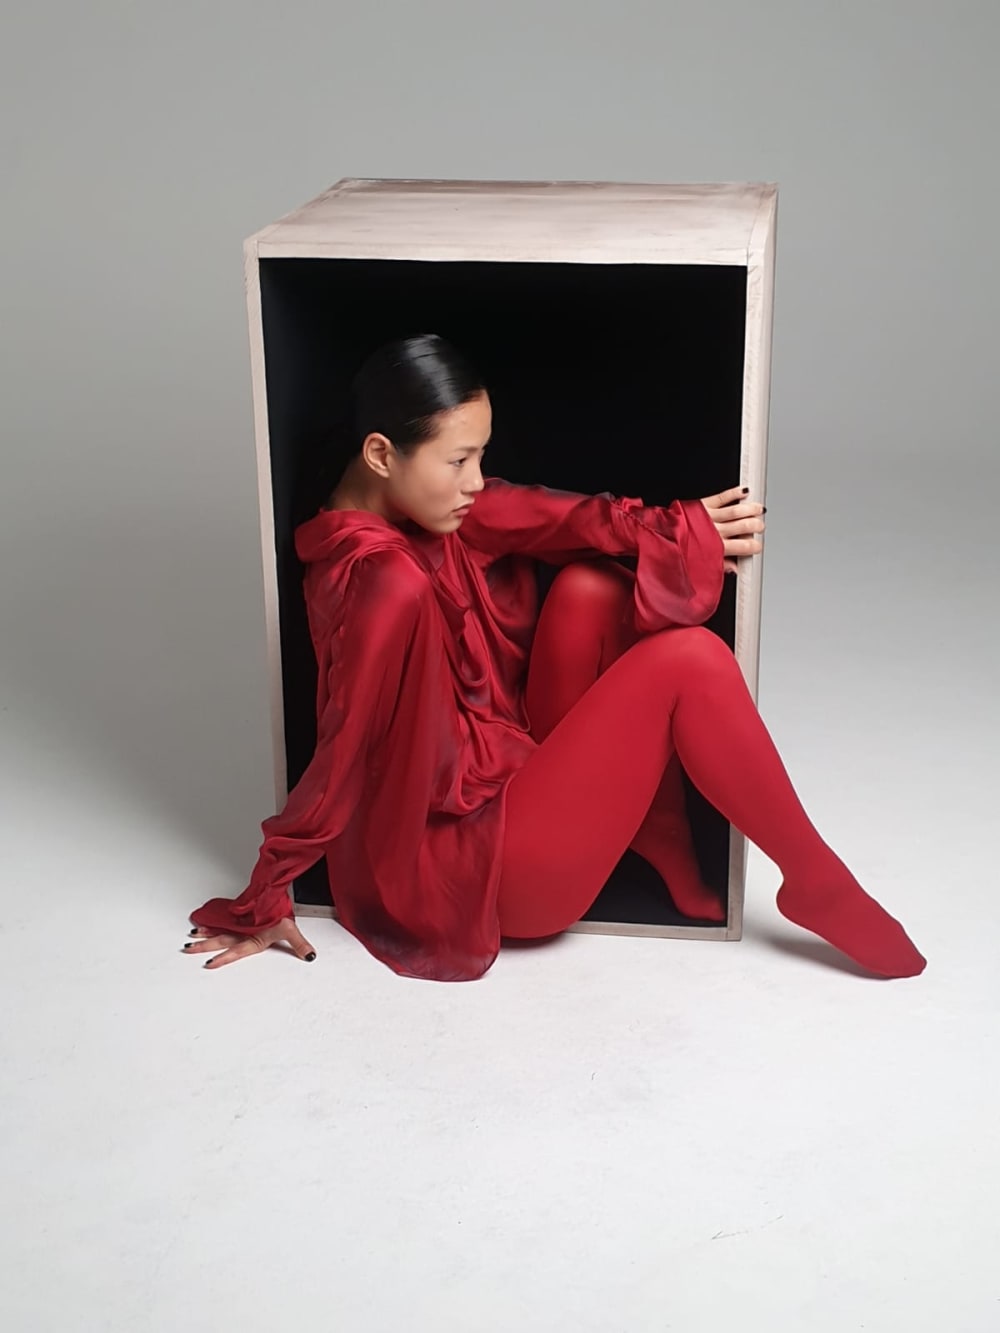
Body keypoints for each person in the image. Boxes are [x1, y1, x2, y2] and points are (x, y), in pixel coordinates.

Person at [183, 334, 926, 982]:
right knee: (689, 659)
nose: (475, 480)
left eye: (481, 454)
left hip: (498, 772)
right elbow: (342, 746)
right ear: (382, 452)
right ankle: (814, 879)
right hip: (483, 872)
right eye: (459, 459)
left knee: (588, 585)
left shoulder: (419, 505)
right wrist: (265, 891)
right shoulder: (382, 581)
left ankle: (657, 830)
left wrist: (679, 523)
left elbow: (548, 512)